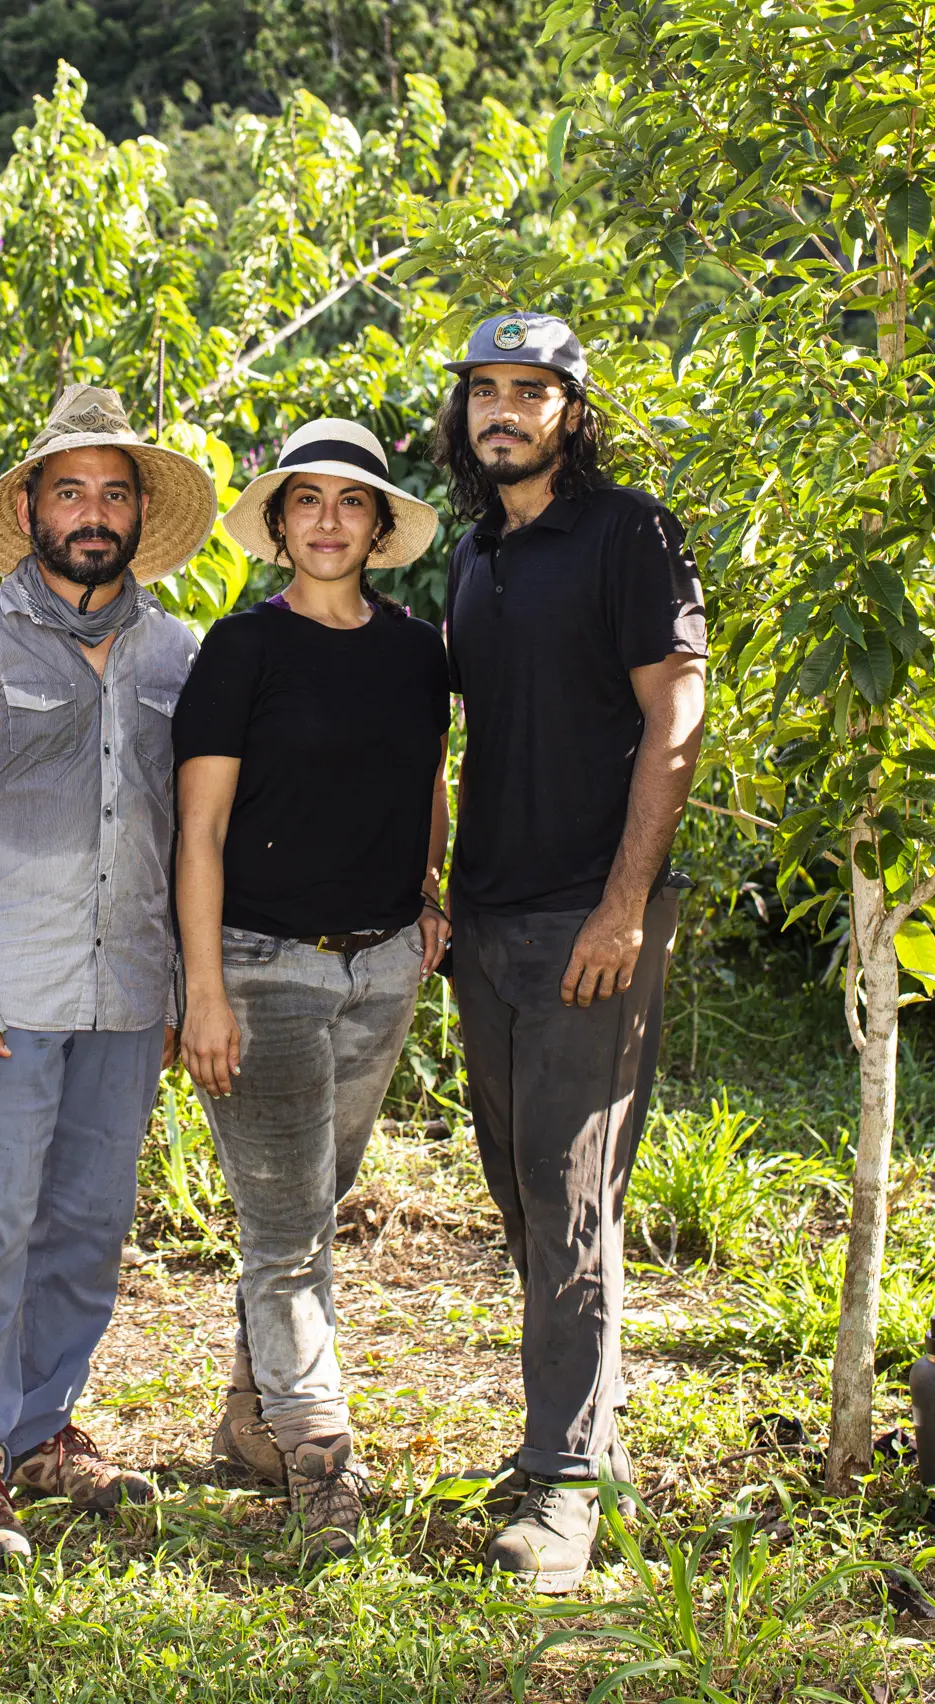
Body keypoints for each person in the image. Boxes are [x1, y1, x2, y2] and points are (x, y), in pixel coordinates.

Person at [0, 385, 217, 1567]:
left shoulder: (180, 654)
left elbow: (196, 832)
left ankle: (40, 1430)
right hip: (4, 997)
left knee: (87, 1224)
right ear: (30, 505)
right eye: (69, 489)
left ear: (140, 515)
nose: (93, 511)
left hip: (129, 993)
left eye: (114, 492)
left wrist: (186, 987)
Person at [435, 312, 706, 1592]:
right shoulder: (476, 556)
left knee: (570, 1198)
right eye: (486, 390)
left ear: (571, 410)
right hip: (485, 921)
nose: (504, 410)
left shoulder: (628, 532)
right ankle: (571, 1437)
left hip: (586, 921)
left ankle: (567, 1494)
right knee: (521, 1191)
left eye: (529, 390)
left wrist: (624, 905)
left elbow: (677, 711)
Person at [171, 417, 451, 1562]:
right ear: (279, 523)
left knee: (309, 1208)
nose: (329, 520)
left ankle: (254, 1419)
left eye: (352, 502)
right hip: (261, 962)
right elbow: (200, 828)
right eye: (307, 501)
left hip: (382, 967)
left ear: (381, 528)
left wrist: (430, 896)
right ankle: (321, 1457)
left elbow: (431, 778)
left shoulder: (421, 651)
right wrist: (204, 989)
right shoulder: (241, 649)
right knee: (286, 1232)